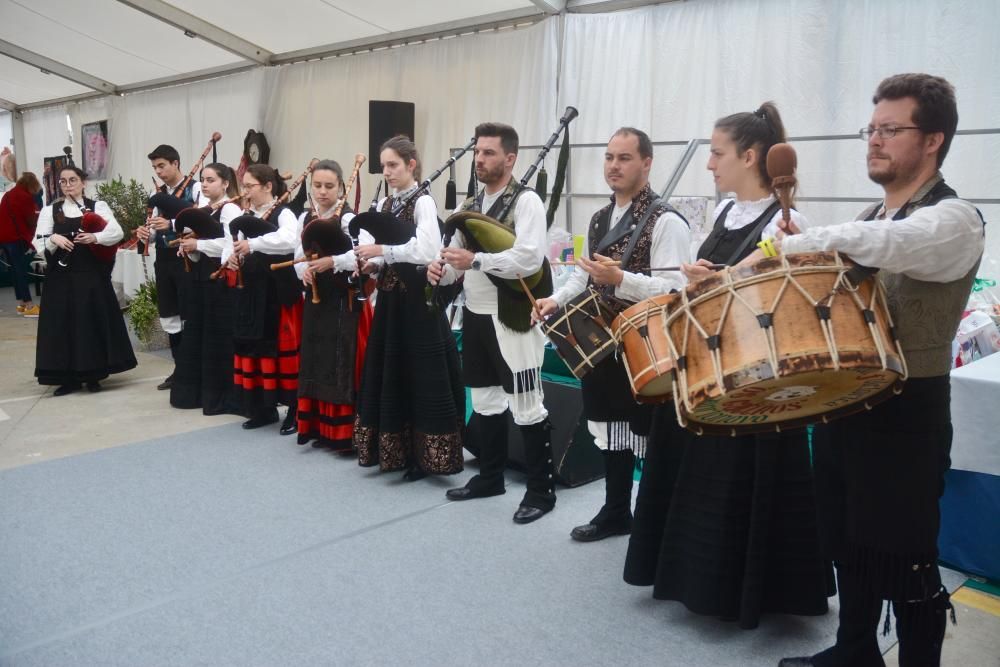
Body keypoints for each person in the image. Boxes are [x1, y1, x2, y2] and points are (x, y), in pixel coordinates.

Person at [775, 74, 984, 667]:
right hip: (848, 400)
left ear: (934, 139)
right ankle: (855, 650)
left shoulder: (956, 218)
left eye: (892, 130)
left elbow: (892, 245)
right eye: (872, 129)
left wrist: (809, 242)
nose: (875, 141)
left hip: (908, 411)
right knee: (847, 537)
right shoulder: (872, 213)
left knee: (906, 556)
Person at [624, 102, 834, 630]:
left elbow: (790, 297)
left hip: (755, 372)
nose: (710, 164)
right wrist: (698, 274)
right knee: (698, 465)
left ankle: (742, 591)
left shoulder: (790, 221)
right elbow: (705, 281)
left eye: (717, 154)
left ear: (750, 155)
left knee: (745, 474)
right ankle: (693, 581)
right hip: (708, 360)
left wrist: (723, 277)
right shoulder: (722, 214)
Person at [532, 127, 690, 541]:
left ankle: (656, 522)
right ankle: (616, 511)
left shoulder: (666, 220)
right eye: (609, 157)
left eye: (624, 158)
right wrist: (557, 299)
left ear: (647, 163)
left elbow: (677, 291)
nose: (614, 166)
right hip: (601, 344)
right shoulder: (601, 216)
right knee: (611, 431)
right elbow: (586, 279)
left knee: (647, 436)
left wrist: (623, 279)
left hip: (646, 347)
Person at [430, 122, 556, 524]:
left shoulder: (527, 202)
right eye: (477, 152)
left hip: (514, 318)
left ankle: (541, 490)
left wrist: (477, 261)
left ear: (510, 158)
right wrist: (441, 270)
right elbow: (456, 260)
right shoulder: (471, 204)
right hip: (477, 316)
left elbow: (530, 259)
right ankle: (491, 477)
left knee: (526, 404)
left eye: (488, 153)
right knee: (485, 401)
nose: (479, 160)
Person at [352, 136, 465, 480]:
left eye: (393, 165)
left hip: (418, 304)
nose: (387, 172)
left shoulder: (424, 203)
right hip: (390, 303)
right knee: (392, 375)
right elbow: (384, 253)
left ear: (411, 165)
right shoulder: (385, 204)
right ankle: (396, 451)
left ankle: (424, 458)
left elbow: (427, 250)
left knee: (422, 377)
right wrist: (371, 265)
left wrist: (383, 252)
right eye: (384, 166)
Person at [33, 166, 136, 394]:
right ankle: (68, 377)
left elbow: (116, 232)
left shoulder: (97, 206)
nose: (67, 185)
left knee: (90, 324)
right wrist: (53, 238)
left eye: (72, 180)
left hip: (90, 277)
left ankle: (93, 375)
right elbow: (38, 243)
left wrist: (94, 236)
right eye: (63, 181)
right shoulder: (50, 211)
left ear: (82, 183)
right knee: (64, 326)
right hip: (61, 280)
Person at [295, 159, 374, 449]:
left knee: (340, 363)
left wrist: (333, 262)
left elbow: (363, 256)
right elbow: (298, 253)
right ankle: (320, 429)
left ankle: (342, 434)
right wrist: (302, 270)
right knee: (317, 360)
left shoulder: (349, 219)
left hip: (344, 299)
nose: (322, 191)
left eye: (329, 186)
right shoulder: (306, 219)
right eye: (317, 185)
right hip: (317, 299)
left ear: (341, 187)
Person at [222, 164, 302, 433]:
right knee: (254, 348)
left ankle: (294, 410)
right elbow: (228, 246)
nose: (245, 191)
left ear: (268, 187)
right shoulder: (244, 215)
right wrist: (230, 259)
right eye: (243, 186)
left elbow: (290, 241)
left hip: (277, 293)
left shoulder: (284, 213)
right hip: (252, 292)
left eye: (249, 186)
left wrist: (253, 244)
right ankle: (263, 408)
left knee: (283, 352)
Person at [170, 163, 243, 415]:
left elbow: (229, 243)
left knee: (217, 336)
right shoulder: (201, 209)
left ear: (225, 183)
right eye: (203, 179)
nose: (205, 183)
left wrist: (198, 245)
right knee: (198, 332)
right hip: (200, 279)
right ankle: (197, 392)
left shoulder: (230, 208)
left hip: (220, 281)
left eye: (211, 179)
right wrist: (188, 247)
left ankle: (221, 394)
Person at [136, 145, 201, 391]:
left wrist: (172, 224)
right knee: (170, 315)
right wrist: (147, 234)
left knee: (188, 314)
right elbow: (154, 233)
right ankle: (179, 369)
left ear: (176, 163)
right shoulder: (158, 193)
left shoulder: (195, 188)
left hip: (187, 258)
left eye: (162, 165)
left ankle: (193, 369)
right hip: (163, 259)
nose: (158, 171)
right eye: (154, 167)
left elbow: (201, 222)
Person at [0, 172, 42, 316]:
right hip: (16, 238)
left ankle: (21, 304)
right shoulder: (25, 197)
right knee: (21, 271)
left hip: (3, 238)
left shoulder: (7, 195)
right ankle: (30, 306)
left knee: (14, 271)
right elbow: (31, 220)